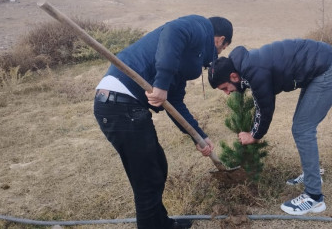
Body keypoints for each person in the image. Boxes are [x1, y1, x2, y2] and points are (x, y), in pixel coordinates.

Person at [93, 15, 233, 229]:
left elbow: (174, 101)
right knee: (147, 181)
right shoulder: (200, 26)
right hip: (120, 102)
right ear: (220, 39)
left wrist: (199, 136)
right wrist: (161, 84)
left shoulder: (186, 56)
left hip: (123, 105)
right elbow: (173, 31)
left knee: (157, 166)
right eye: (223, 48)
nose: (218, 55)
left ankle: (161, 224)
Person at [208, 39, 332, 216]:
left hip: (329, 70)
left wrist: (254, 135)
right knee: (301, 126)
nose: (227, 93)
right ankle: (312, 174)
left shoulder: (253, 71)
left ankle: (314, 198)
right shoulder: (243, 65)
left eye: (225, 88)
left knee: (303, 129)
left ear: (233, 76)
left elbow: (265, 108)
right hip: (320, 65)